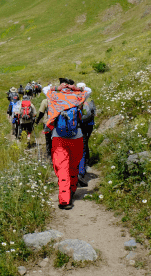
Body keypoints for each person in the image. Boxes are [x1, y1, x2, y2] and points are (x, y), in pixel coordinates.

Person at [43, 78, 91, 210]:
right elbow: (88, 90)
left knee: (62, 167)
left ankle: (65, 200)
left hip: (58, 137)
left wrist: (57, 88)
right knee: (73, 165)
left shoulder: (54, 95)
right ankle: (72, 189)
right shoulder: (79, 96)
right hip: (77, 136)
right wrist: (75, 88)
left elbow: (45, 89)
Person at [77, 82, 95, 187]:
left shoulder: (75, 99)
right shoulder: (88, 98)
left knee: (79, 148)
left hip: (78, 126)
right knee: (84, 146)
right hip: (88, 125)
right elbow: (93, 111)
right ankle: (83, 169)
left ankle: (79, 170)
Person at [35, 95, 52, 161]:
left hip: (47, 122)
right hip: (56, 123)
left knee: (48, 139)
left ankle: (49, 155)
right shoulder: (58, 100)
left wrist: (37, 121)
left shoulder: (45, 101)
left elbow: (41, 113)